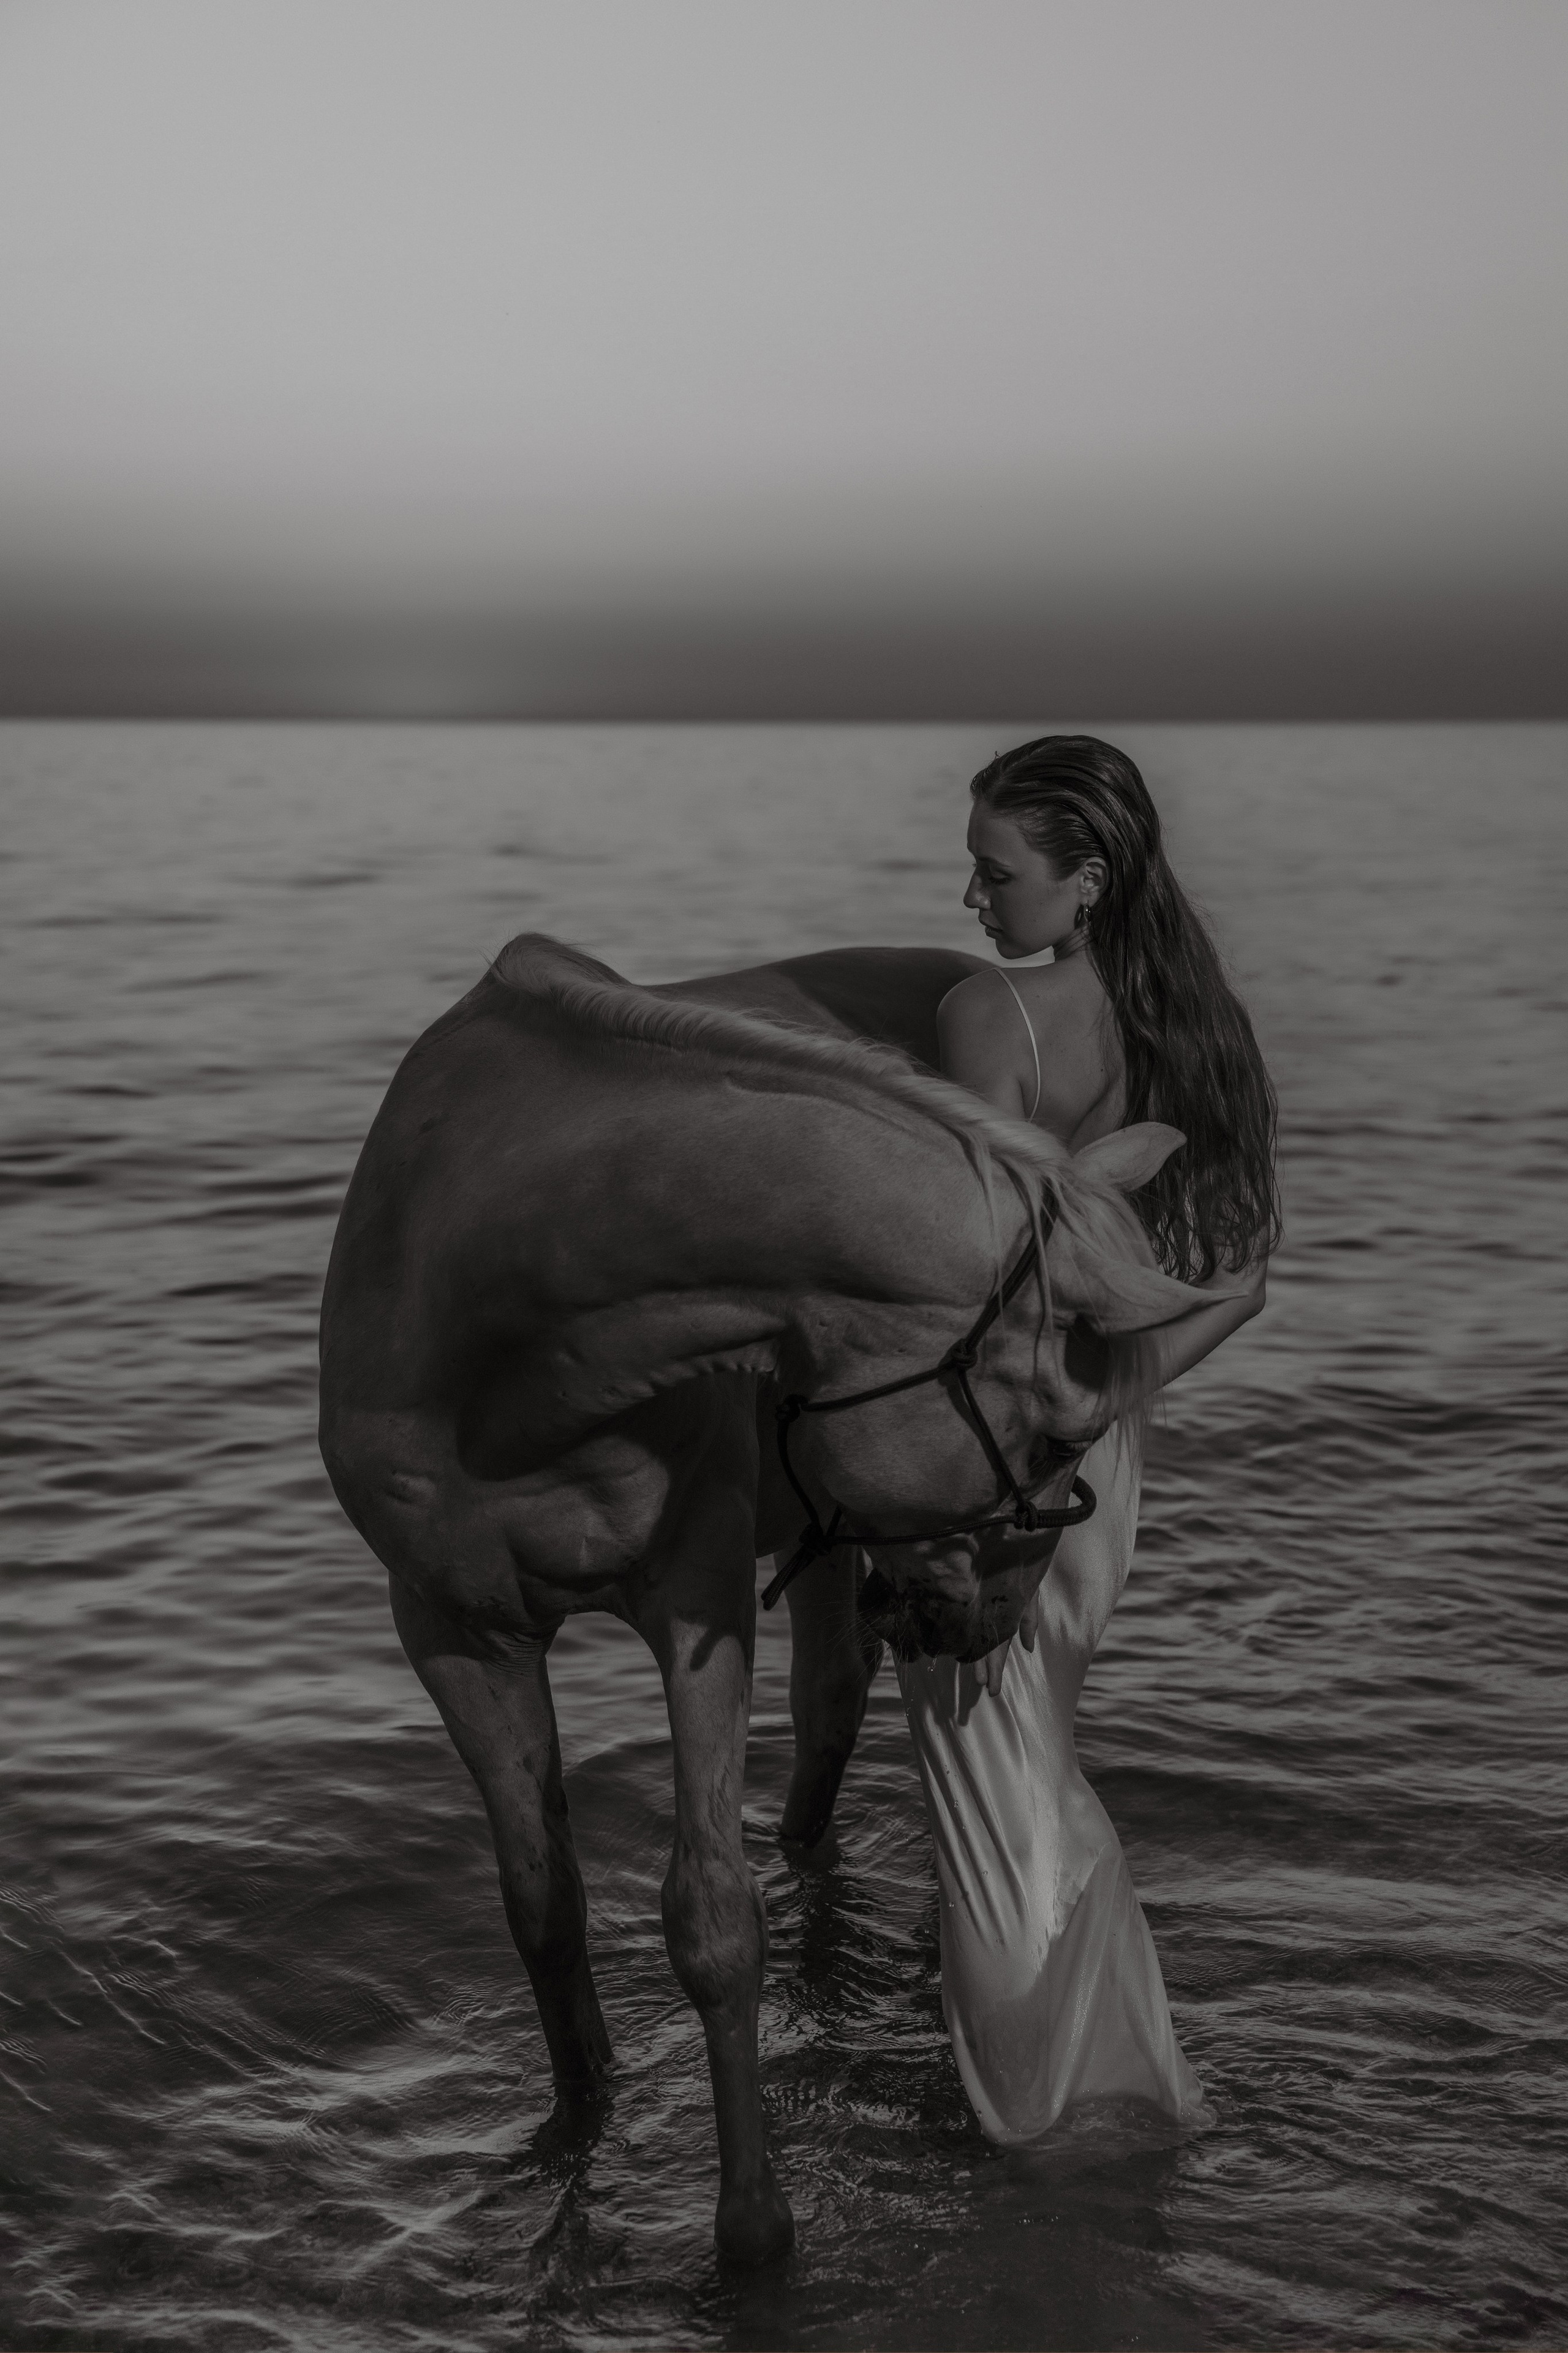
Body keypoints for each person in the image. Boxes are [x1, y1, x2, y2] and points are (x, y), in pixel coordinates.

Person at [897, 733, 1280, 2142]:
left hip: (995, 1457)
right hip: (1105, 1460)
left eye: (994, 870)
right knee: (1025, 1754)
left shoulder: (986, 1019)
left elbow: (961, 1285)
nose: (970, 898)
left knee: (987, 1790)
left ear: (1088, 877)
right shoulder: (1202, 1026)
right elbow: (1241, 1279)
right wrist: (1100, 1403)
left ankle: (1060, 2111)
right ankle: (1098, 2077)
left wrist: (1036, 1416)